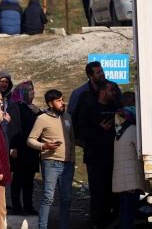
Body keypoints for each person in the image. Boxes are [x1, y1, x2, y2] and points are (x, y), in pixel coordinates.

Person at [27, 89, 75, 229]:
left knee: (66, 198)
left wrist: (72, 160)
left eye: (62, 99)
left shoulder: (67, 117)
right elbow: (30, 140)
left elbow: (71, 139)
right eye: (58, 101)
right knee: (48, 198)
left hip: (67, 164)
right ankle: (43, 226)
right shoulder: (42, 119)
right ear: (50, 103)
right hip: (51, 163)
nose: (62, 103)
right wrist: (44, 146)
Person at [76, 80, 119, 228]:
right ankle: (96, 222)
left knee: (112, 191)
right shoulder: (90, 109)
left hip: (114, 158)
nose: (113, 93)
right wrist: (99, 129)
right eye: (110, 90)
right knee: (98, 191)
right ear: (102, 91)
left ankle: (110, 220)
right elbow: (81, 132)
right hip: (95, 158)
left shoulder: (116, 108)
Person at [112, 92, 145, 229]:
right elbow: (142, 150)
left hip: (123, 180)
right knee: (128, 214)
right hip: (131, 180)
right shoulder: (132, 130)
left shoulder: (119, 132)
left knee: (125, 211)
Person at [69, 61, 121, 146]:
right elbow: (72, 117)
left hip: (112, 139)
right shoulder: (80, 93)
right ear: (90, 76)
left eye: (102, 71)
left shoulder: (112, 87)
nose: (102, 74)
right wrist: (78, 138)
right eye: (98, 72)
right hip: (90, 142)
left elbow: (120, 105)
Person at [10, 81, 42, 215]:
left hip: (32, 150)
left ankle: (28, 205)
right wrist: (13, 147)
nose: (32, 92)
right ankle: (17, 206)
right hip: (20, 149)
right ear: (22, 92)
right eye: (29, 90)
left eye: (33, 90)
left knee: (29, 179)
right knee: (18, 178)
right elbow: (13, 128)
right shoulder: (16, 106)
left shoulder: (34, 108)